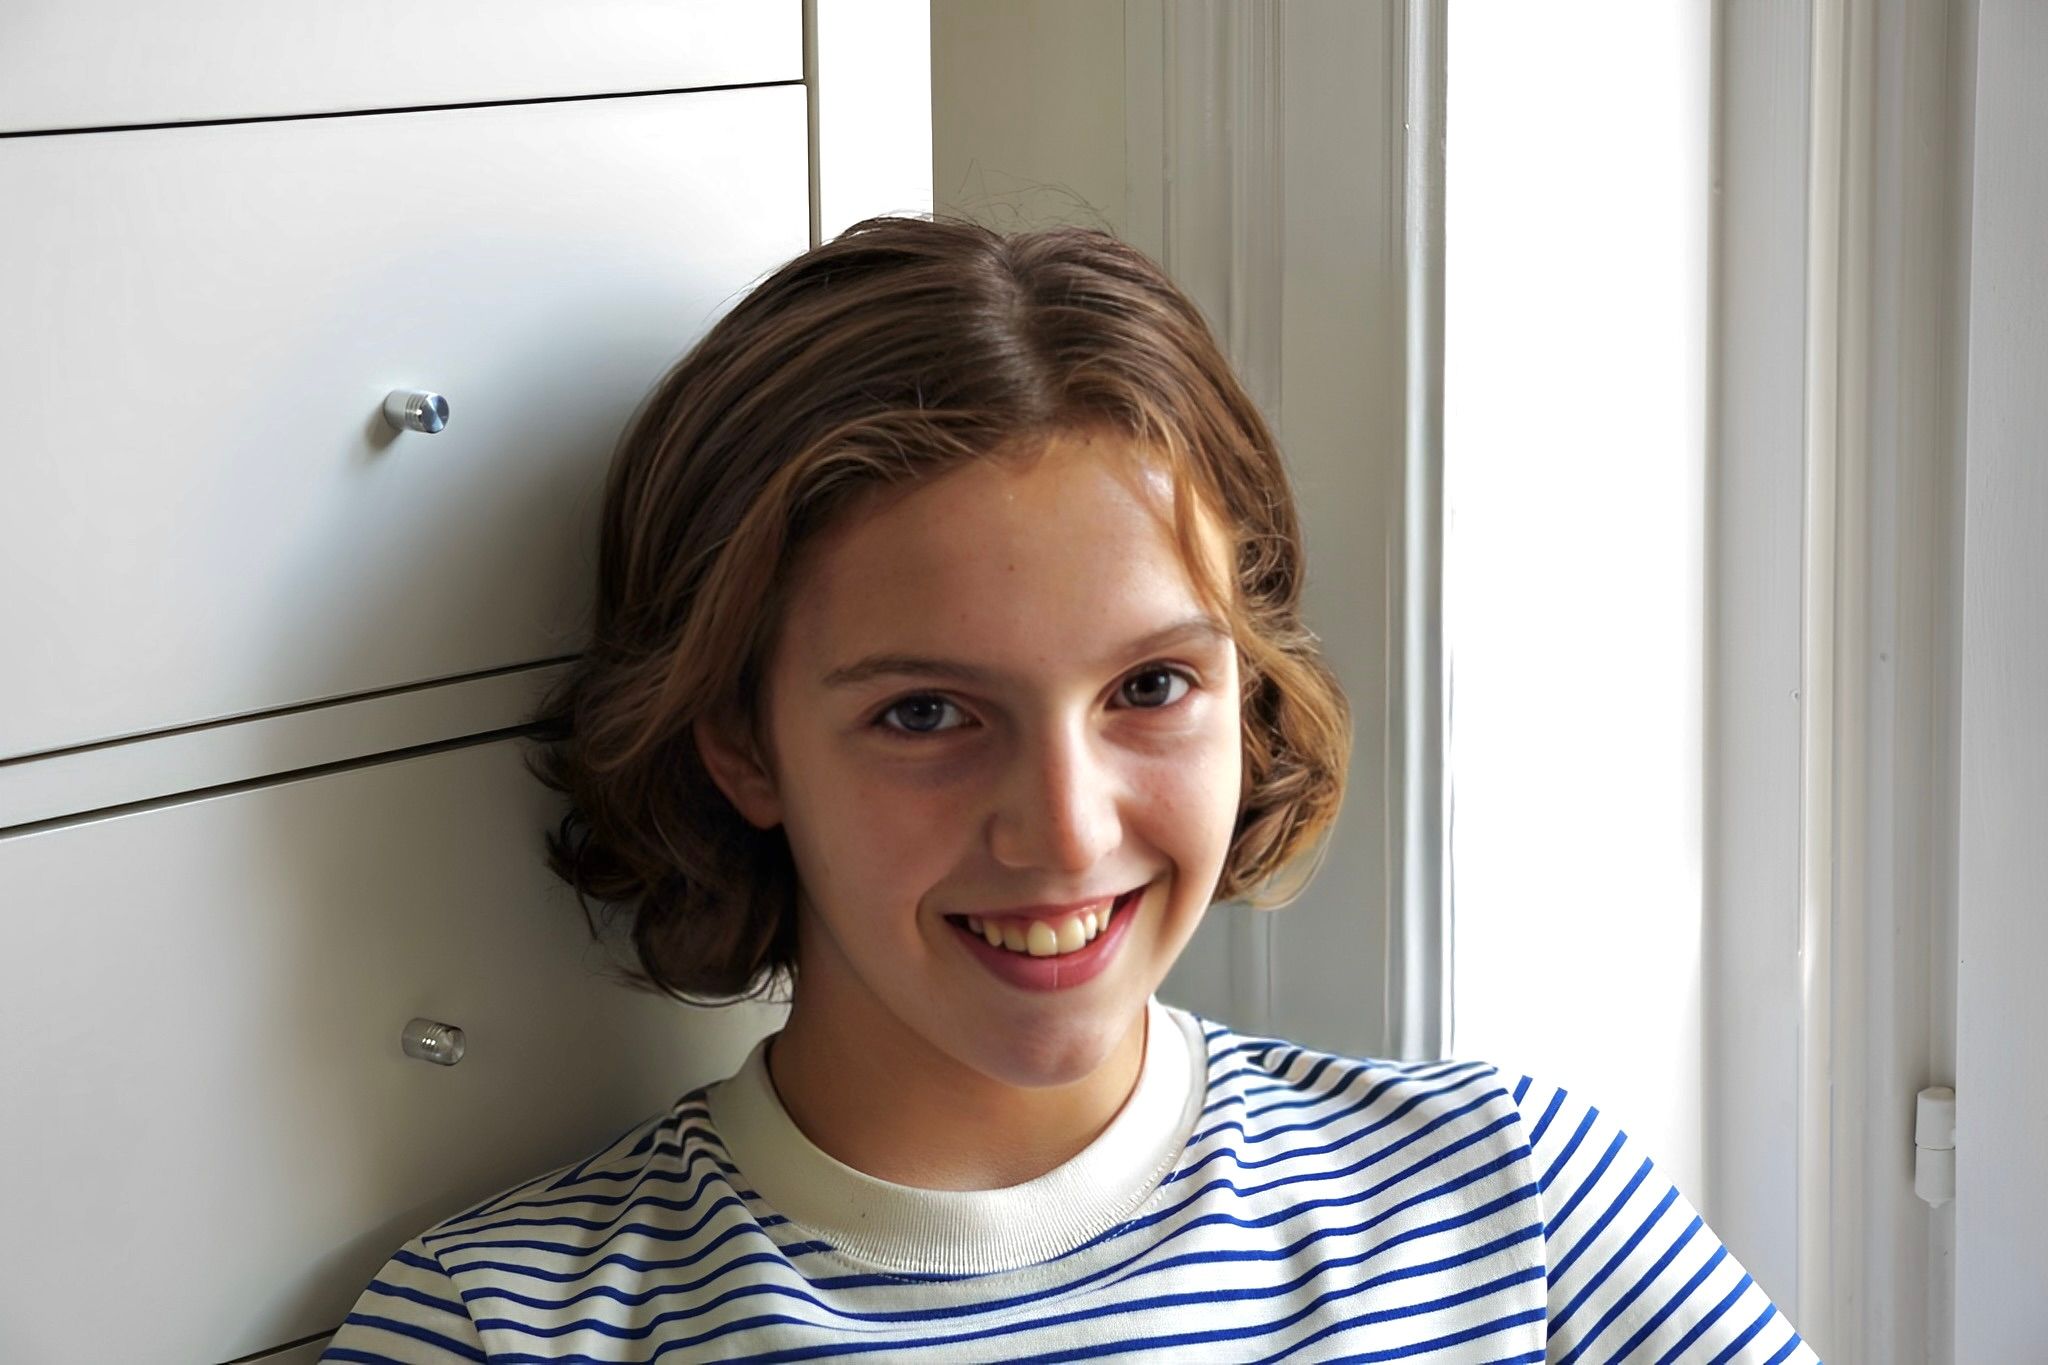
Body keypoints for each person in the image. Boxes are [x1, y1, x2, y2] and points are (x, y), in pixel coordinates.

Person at [322, 214, 1817, 1363]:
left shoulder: (1520, 1207)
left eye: (1151, 687)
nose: (1067, 826)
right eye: (926, 712)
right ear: (743, 746)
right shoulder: (498, 1330)